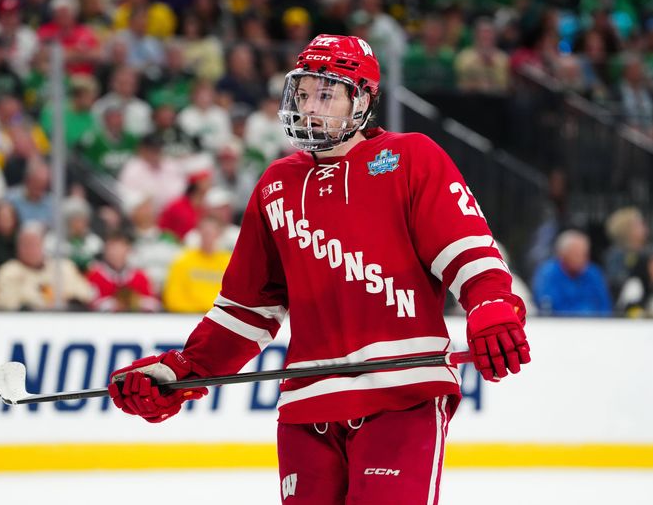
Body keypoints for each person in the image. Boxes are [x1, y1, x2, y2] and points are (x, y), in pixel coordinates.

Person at [108, 35, 530, 503]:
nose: (309, 107)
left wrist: (491, 304)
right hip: (305, 408)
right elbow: (247, 309)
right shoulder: (275, 185)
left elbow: (465, 248)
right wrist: (185, 370)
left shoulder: (410, 157)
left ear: (363, 98)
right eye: (303, 93)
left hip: (401, 395)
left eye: (326, 94)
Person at [533, 230, 612, 316]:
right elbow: (550, 308)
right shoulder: (548, 274)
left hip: (595, 326)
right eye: (576, 254)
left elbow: (605, 306)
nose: (582, 259)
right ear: (563, 254)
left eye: (584, 254)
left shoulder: (593, 273)